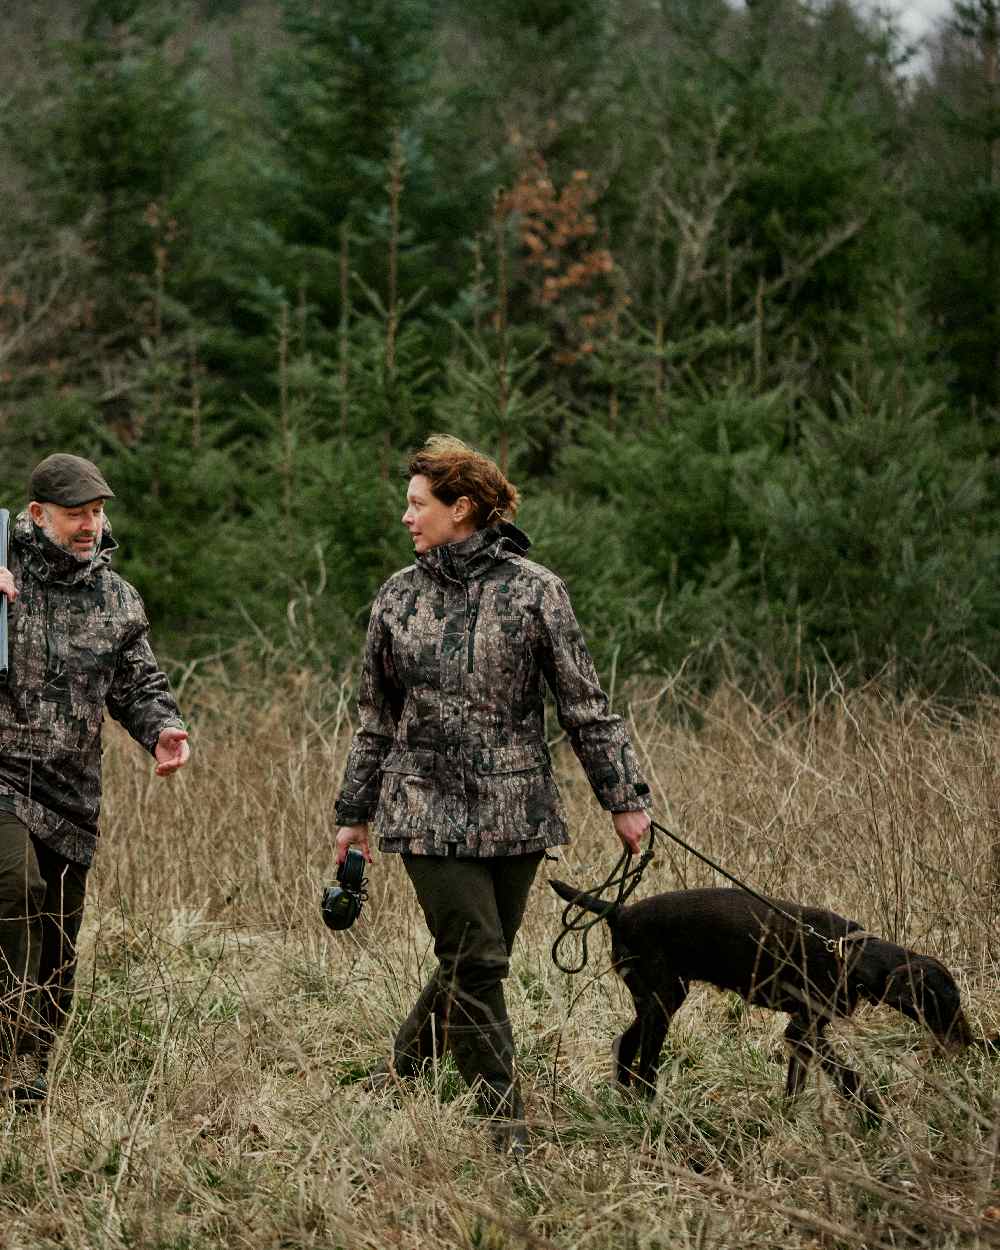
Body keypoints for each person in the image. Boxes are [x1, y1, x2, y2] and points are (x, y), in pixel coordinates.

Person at [334, 435, 650, 1150]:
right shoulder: (396, 597)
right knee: (478, 960)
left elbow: (584, 704)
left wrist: (623, 797)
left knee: (472, 963)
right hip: (423, 810)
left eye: (419, 504)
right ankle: (504, 1123)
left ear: (463, 507)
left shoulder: (536, 591)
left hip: (516, 814)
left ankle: (405, 1069)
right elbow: (375, 720)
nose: (406, 517)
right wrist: (352, 816)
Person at [0, 453, 190, 1104]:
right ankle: (5, 1037)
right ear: (37, 515)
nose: (90, 526)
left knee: (58, 932)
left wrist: (163, 729)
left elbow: (138, 685)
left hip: (71, 788)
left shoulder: (114, 598)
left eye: (97, 512)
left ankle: (33, 1059)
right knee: (13, 889)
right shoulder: (2, 567)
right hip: (2, 771)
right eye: (76, 514)